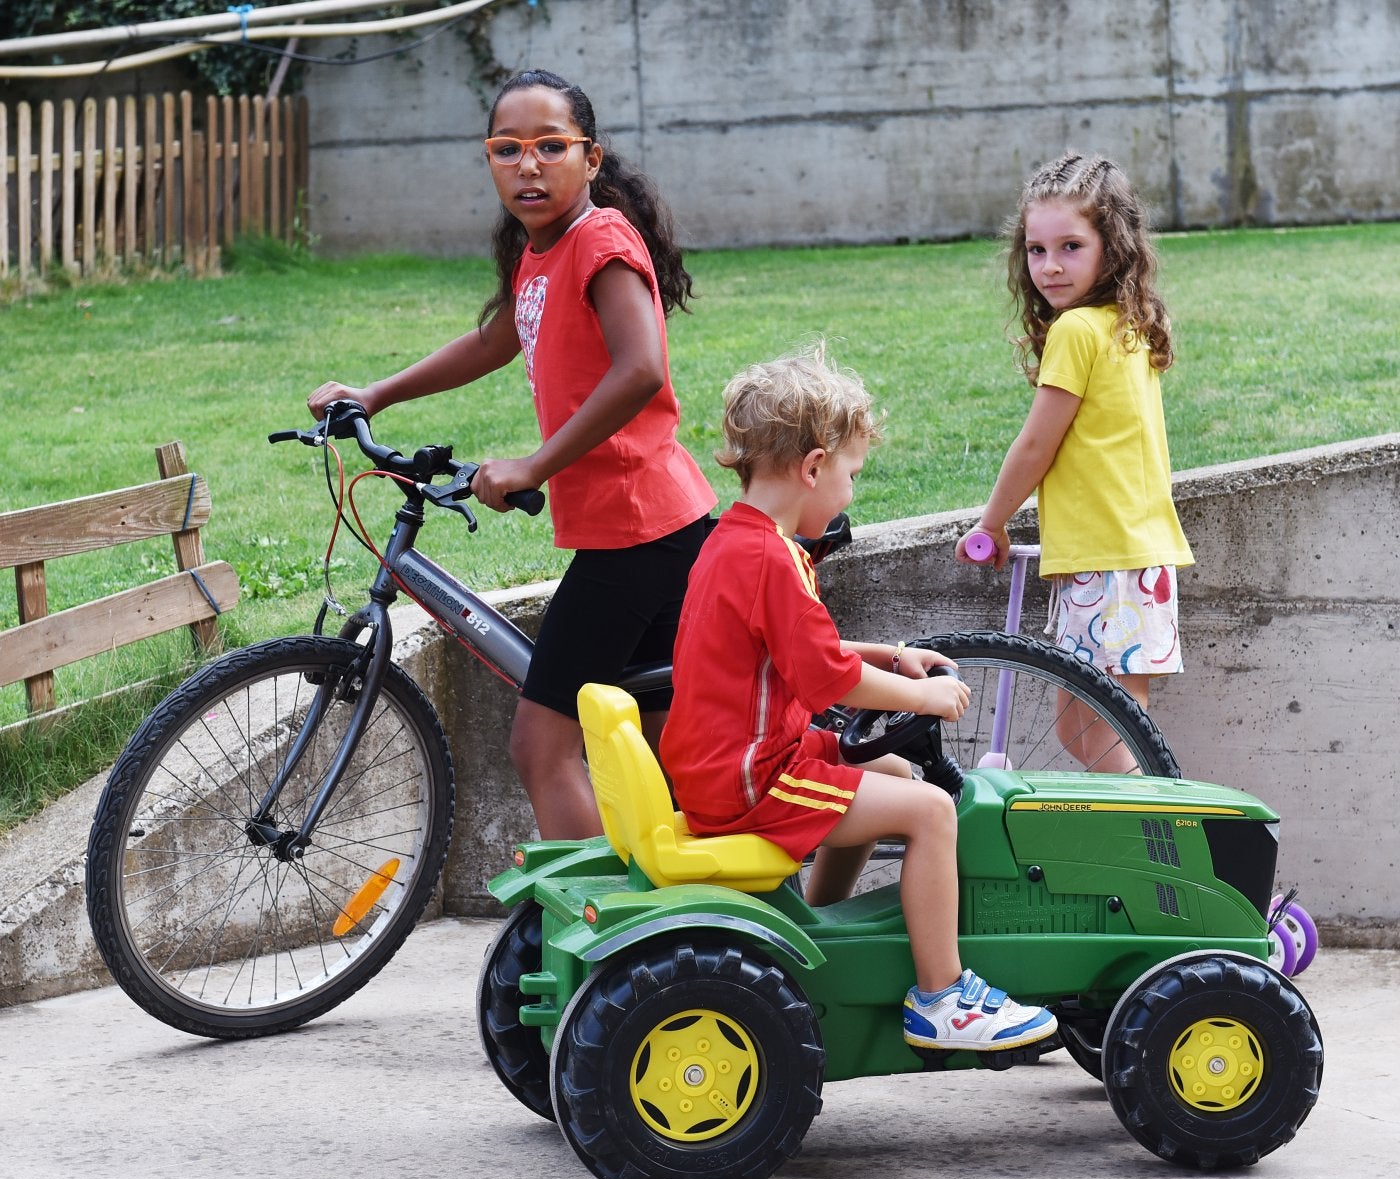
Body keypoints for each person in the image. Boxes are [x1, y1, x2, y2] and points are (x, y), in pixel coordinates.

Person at [307, 69, 715, 840]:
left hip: (634, 531)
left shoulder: (601, 240)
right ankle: (694, 923)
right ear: (489, 157)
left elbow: (641, 370)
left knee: (540, 747)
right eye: (508, 148)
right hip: (658, 526)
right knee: (674, 753)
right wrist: (376, 393)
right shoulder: (543, 251)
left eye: (550, 147)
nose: (529, 165)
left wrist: (533, 467)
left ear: (590, 159)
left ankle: (609, 930)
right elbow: (498, 338)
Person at [660, 349, 1058, 1055]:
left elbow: (802, 653)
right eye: (850, 475)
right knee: (932, 809)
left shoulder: (736, 542)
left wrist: (887, 654)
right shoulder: (772, 561)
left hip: (733, 761)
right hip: (754, 780)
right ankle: (942, 998)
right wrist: (923, 695)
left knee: (895, 777)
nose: (849, 493)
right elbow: (831, 685)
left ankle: (818, 924)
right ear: (812, 468)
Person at [955, 152, 1194, 771]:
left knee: (1113, 739)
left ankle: (1146, 847)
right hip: (1120, 556)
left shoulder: (1078, 331)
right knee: (1084, 729)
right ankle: (1136, 834)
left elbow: (1037, 443)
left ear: (1111, 248)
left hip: (1110, 558)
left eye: (1070, 246)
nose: (1050, 266)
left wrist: (992, 522)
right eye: (1036, 250)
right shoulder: (1129, 322)